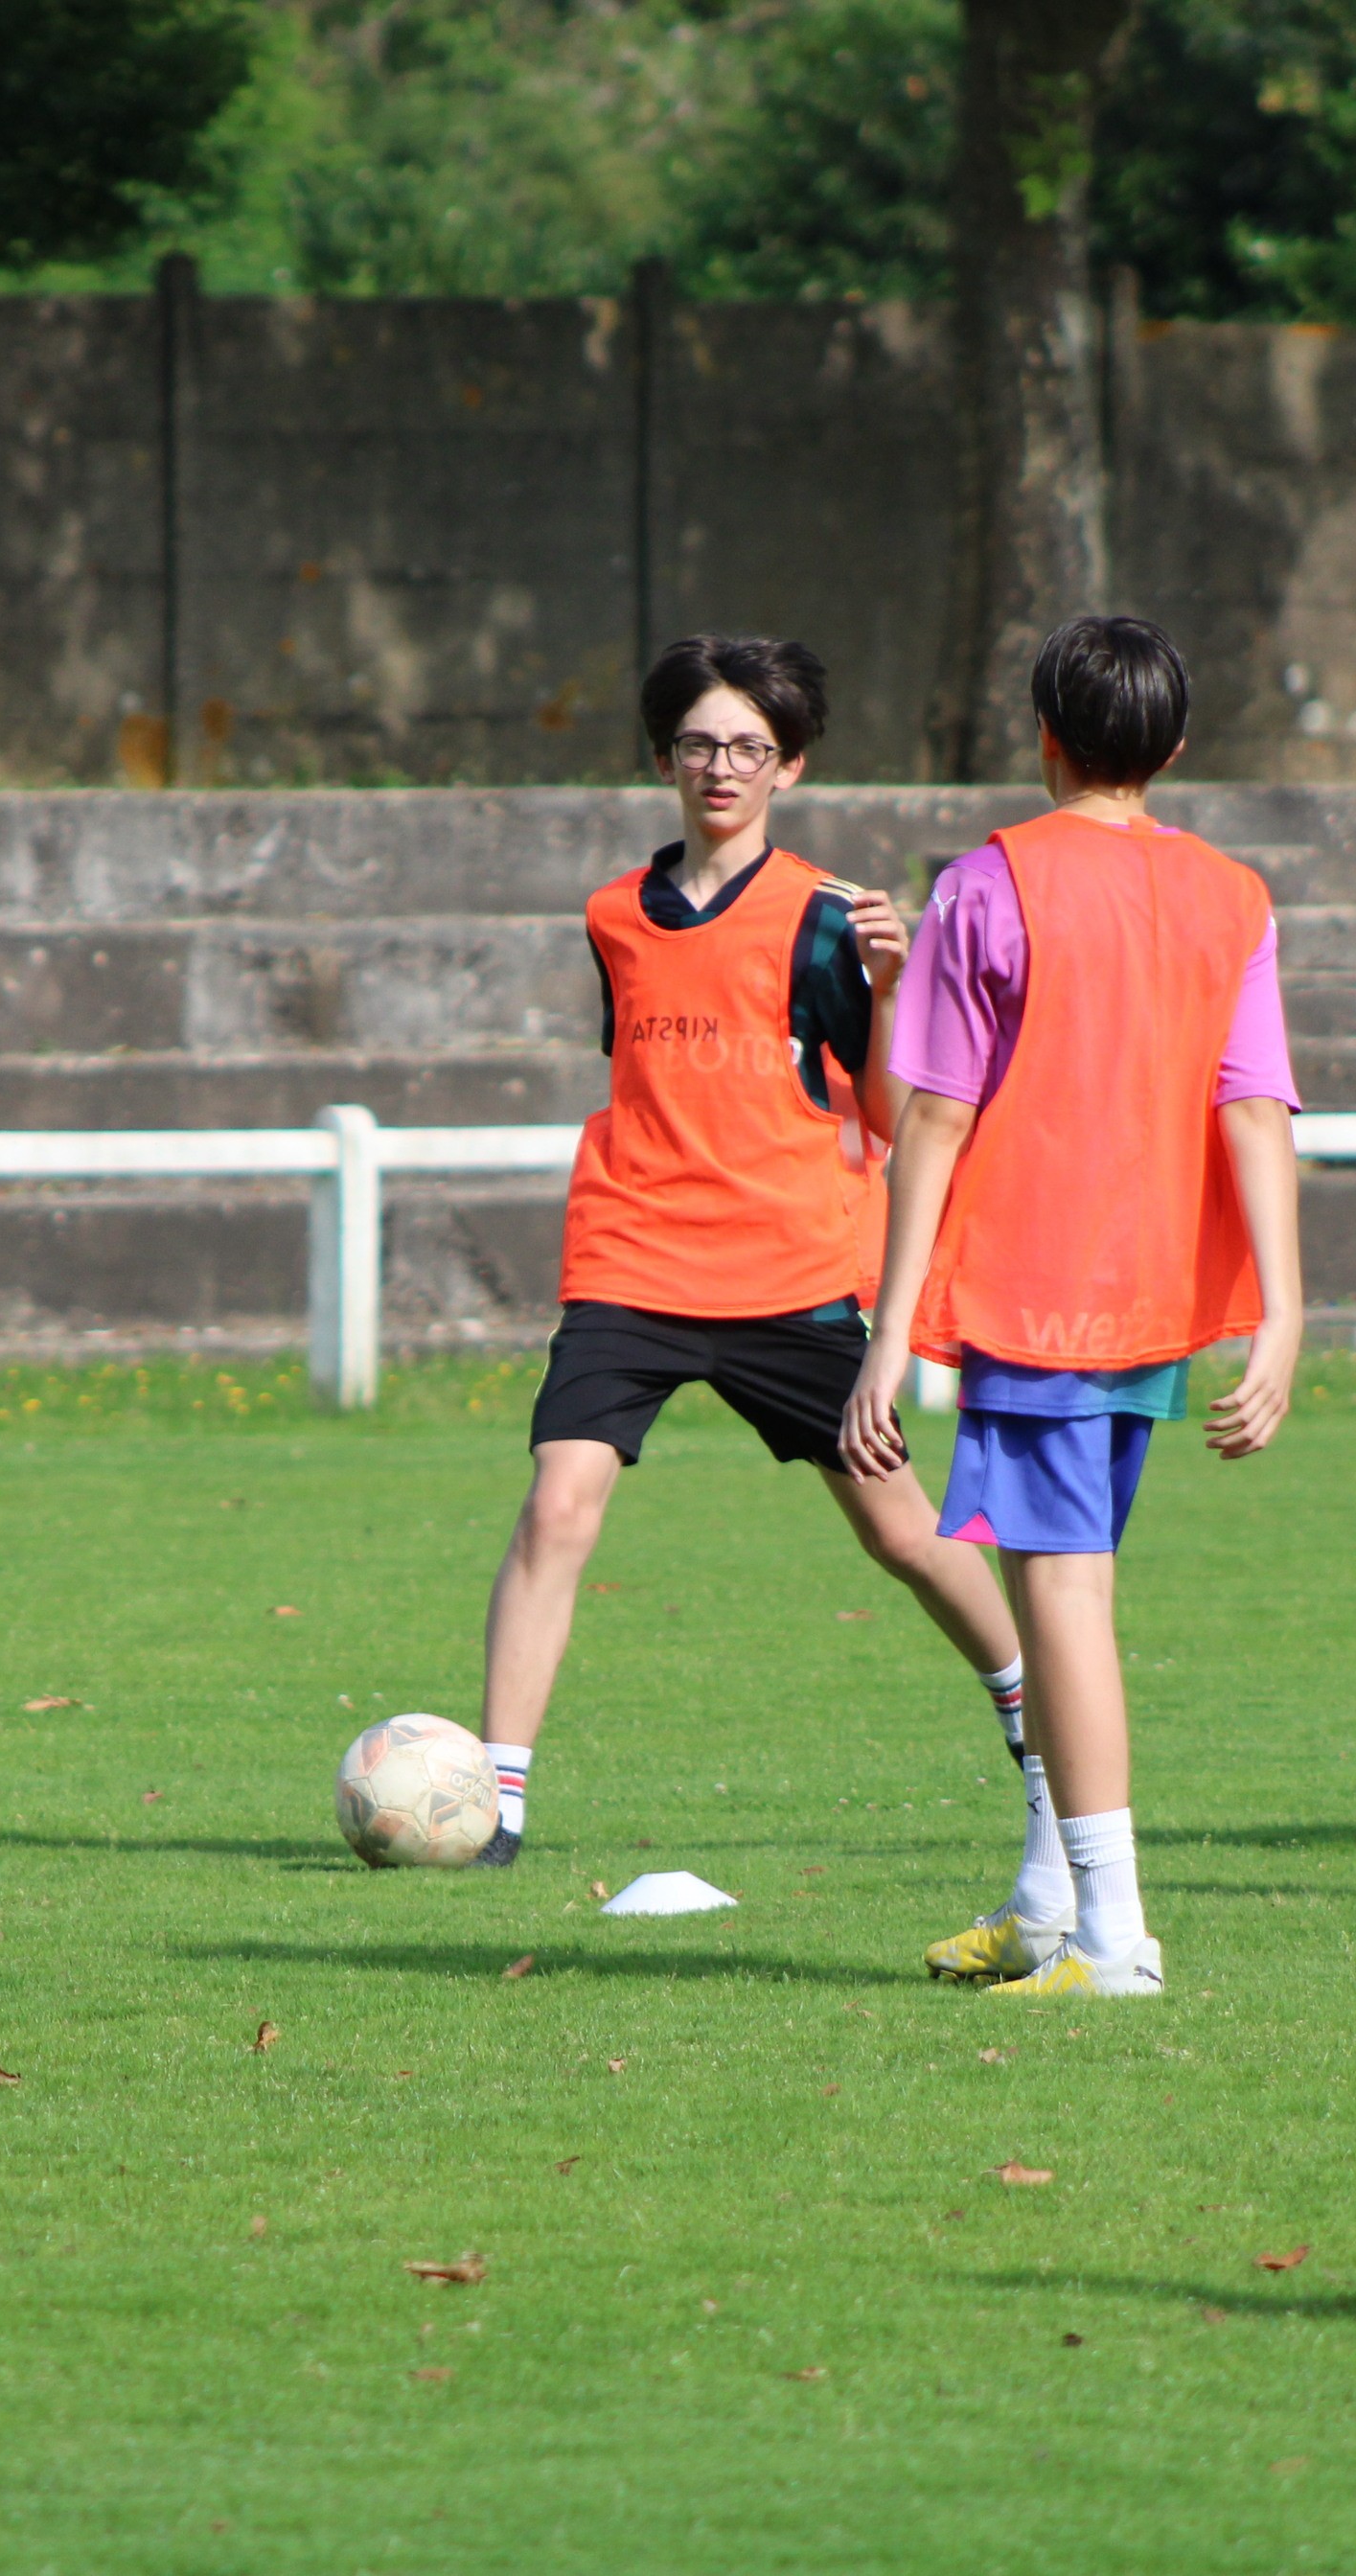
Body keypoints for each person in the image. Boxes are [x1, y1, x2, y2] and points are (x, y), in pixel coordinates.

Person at [471, 633, 1027, 1868]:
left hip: (790, 1270)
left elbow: (886, 1119)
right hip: (631, 1259)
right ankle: (495, 1801)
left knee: (897, 1532)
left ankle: (1028, 1698)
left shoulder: (833, 918)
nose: (722, 767)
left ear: (792, 766)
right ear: (664, 756)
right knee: (557, 1507)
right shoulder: (613, 911)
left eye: (749, 749)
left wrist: (890, 989)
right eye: (700, 744)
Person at [840, 614, 1303, 1999]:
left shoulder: (992, 882)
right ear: (1173, 749)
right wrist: (1282, 1314)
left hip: (1041, 1298)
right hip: (1161, 1300)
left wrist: (886, 1334)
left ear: (1043, 737)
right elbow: (1258, 1104)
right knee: (1061, 1614)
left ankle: (1115, 1941)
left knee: (1068, 1605)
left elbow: (931, 1114)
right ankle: (1049, 1910)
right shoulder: (1234, 893)